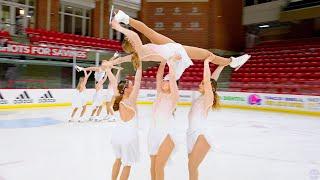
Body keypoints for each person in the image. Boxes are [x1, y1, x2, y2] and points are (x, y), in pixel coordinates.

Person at [109, 10, 250, 74]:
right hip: (175, 51)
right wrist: (118, 27)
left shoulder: (138, 52)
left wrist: (111, 62)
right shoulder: (139, 50)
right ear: (132, 45)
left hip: (170, 48)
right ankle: (231, 62)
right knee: (207, 54)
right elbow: (133, 35)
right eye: (130, 41)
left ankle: (232, 62)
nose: (131, 39)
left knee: (150, 32)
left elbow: (122, 59)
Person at [187, 59, 225, 180]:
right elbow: (212, 80)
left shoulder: (209, 98)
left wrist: (206, 63)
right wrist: (221, 66)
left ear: (210, 87)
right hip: (191, 134)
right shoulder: (202, 96)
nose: (200, 84)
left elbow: (209, 81)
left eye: (203, 83)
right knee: (192, 167)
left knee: (192, 166)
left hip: (201, 134)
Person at [109, 60, 142, 180]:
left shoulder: (118, 98)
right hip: (129, 137)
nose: (133, 86)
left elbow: (113, 81)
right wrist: (139, 65)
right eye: (131, 85)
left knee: (118, 160)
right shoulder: (131, 100)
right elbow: (138, 81)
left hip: (117, 137)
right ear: (127, 89)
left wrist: (108, 69)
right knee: (127, 165)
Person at [148, 54, 180, 180]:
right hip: (154, 132)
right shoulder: (159, 93)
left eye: (166, 81)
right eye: (164, 81)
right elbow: (158, 76)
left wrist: (171, 63)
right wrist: (163, 61)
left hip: (167, 132)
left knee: (159, 166)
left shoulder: (174, 97)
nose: (163, 82)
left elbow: (172, 78)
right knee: (153, 166)